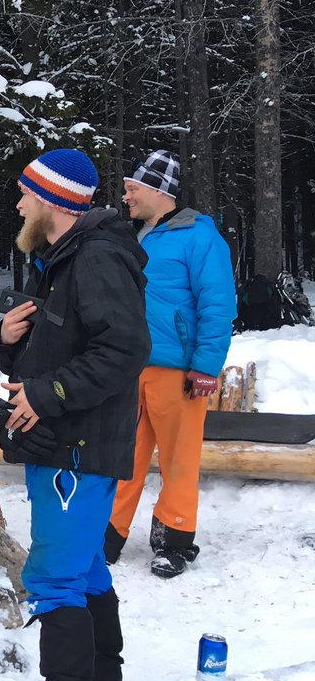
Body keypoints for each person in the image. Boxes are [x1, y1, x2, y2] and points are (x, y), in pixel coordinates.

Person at [0, 149, 150, 681]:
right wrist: (7, 341)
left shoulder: (97, 258)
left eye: (26, 194)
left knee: (55, 578)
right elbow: (60, 350)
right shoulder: (58, 259)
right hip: (63, 443)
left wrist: (47, 393)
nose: (19, 203)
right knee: (84, 572)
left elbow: (125, 350)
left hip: (78, 449)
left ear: (52, 201)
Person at [106, 151, 237, 578]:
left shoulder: (200, 238)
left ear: (158, 191)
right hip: (128, 367)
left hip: (178, 369)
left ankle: (174, 542)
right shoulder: (133, 234)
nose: (126, 196)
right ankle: (108, 536)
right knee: (122, 455)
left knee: (179, 460)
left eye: (132, 188)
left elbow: (218, 305)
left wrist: (205, 366)